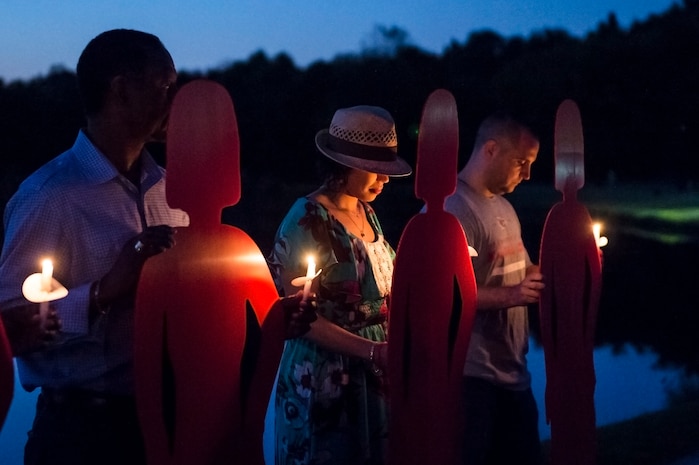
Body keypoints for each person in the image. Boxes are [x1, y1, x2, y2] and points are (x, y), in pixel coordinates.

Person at [0, 29, 189, 465]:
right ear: (121, 90)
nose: (177, 102)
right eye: (166, 87)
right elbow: (6, 327)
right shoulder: (51, 196)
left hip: (165, 425)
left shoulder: (171, 191)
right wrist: (104, 292)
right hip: (81, 435)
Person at [268, 105, 411, 465]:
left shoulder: (369, 213)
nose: (386, 179)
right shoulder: (305, 219)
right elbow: (298, 316)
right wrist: (372, 351)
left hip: (375, 373)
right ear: (343, 164)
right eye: (376, 170)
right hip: (326, 376)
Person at [443, 113, 545, 465]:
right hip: (474, 378)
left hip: (514, 370)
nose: (527, 174)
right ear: (490, 149)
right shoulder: (454, 209)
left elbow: (524, 269)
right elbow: (448, 293)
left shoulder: (504, 206)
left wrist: (574, 269)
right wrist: (515, 295)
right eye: (521, 163)